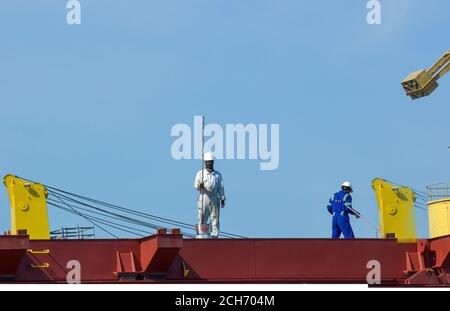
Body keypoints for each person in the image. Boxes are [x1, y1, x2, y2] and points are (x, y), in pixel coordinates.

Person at [194, 152, 226, 238]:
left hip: (215, 198)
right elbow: (195, 185)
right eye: (207, 162)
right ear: (205, 163)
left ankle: (214, 236)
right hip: (204, 197)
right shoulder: (200, 173)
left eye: (211, 162)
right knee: (202, 217)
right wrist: (199, 186)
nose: (209, 164)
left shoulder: (217, 174)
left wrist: (222, 198)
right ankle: (202, 236)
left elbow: (221, 187)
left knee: (215, 218)